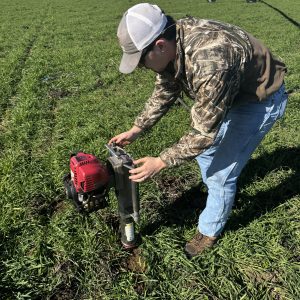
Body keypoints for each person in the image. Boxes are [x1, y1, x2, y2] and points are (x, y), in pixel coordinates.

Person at [109, 3, 287, 257]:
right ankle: (216, 193)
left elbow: (204, 134)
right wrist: (137, 128)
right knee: (205, 155)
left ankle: (209, 231)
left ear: (159, 45)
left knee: (221, 174)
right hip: (231, 94)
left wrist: (160, 162)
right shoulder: (174, 40)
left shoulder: (211, 61)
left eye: (140, 61)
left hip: (258, 100)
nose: (140, 67)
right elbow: (166, 89)